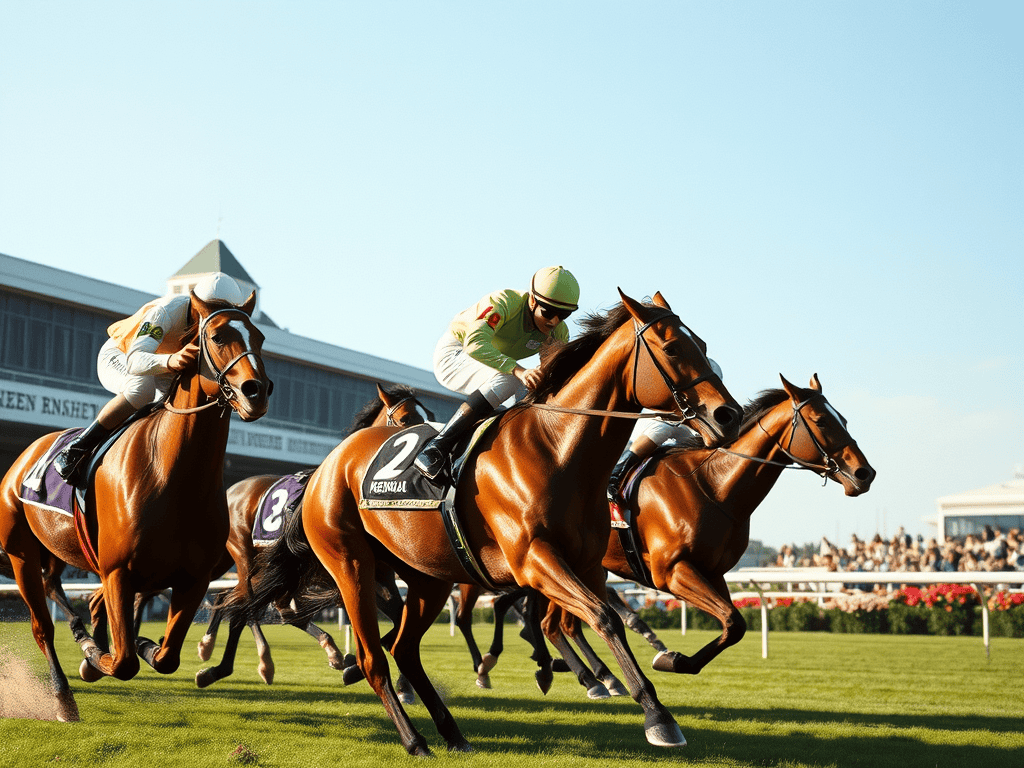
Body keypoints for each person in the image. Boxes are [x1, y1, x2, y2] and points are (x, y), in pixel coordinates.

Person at [53, 272, 248, 483]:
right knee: (141, 388)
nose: (215, 320)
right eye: (209, 311)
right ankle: (77, 448)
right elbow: (135, 361)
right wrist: (171, 360)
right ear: (195, 303)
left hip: (162, 366)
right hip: (121, 354)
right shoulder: (166, 311)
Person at [413, 266, 580, 483]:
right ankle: (436, 448)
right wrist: (519, 370)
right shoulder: (504, 302)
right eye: (548, 312)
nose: (554, 321)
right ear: (532, 301)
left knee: (524, 397)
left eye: (563, 315)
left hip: (493, 367)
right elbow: (474, 344)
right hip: (456, 353)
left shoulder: (558, 332)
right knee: (510, 379)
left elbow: (555, 376)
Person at [605, 356, 723, 507]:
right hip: (669, 418)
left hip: (695, 425)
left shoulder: (713, 367)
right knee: (662, 429)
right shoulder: (681, 363)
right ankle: (615, 476)